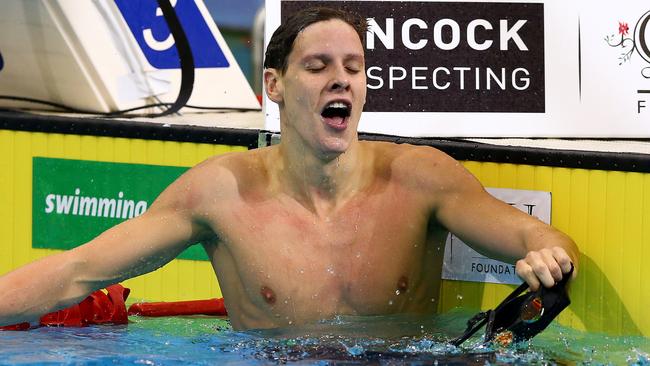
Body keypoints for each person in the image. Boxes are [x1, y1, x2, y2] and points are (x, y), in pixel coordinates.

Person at [0, 7, 578, 331]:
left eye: (354, 67)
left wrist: (547, 252)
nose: (341, 79)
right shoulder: (219, 192)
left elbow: (535, 234)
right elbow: (77, 272)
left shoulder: (419, 178)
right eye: (319, 65)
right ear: (274, 85)